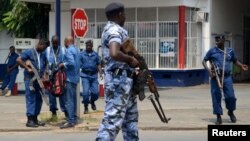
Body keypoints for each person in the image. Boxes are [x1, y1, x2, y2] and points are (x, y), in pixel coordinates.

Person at [96, 2, 139, 141]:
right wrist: (130, 60)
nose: (125, 17)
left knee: (130, 121)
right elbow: (114, 53)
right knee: (112, 122)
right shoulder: (114, 30)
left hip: (125, 81)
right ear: (120, 15)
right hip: (118, 82)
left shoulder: (113, 29)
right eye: (124, 14)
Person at [202, 34, 248, 125]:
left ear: (223, 41)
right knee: (216, 97)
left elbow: (235, 60)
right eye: (216, 39)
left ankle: (230, 112)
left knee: (231, 96)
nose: (216, 41)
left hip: (227, 77)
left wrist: (241, 65)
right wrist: (209, 72)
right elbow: (204, 61)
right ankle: (218, 116)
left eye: (218, 39)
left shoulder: (230, 51)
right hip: (216, 77)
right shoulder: (212, 51)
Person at [16, 39, 48, 128]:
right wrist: (27, 68)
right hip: (30, 79)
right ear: (40, 44)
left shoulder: (43, 54)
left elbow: (45, 64)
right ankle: (29, 120)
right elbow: (18, 60)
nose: (43, 50)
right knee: (31, 98)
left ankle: (35, 119)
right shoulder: (29, 52)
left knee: (39, 99)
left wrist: (45, 74)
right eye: (43, 48)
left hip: (39, 79)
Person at [58, 36, 80, 129]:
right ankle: (74, 118)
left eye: (64, 42)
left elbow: (71, 63)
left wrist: (63, 64)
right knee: (73, 99)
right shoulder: (77, 50)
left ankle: (70, 120)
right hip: (75, 78)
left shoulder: (69, 50)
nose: (64, 44)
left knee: (69, 100)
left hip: (70, 78)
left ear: (67, 42)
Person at [45, 35, 67, 120]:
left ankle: (65, 112)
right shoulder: (47, 50)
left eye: (56, 43)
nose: (55, 44)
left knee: (62, 93)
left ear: (58, 42)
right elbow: (45, 61)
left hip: (60, 74)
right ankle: (53, 112)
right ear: (51, 42)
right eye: (53, 43)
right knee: (51, 94)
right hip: (51, 75)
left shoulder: (63, 50)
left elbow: (65, 61)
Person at [79, 40, 103, 114]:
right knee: (85, 93)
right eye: (87, 46)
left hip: (93, 76)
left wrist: (100, 72)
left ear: (92, 46)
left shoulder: (95, 55)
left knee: (95, 93)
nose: (88, 47)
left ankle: (92, 101)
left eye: (89, 46)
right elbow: (78, 64)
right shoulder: (81, 54)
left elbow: (98, 64)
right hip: (85, 75)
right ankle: (86, 106)